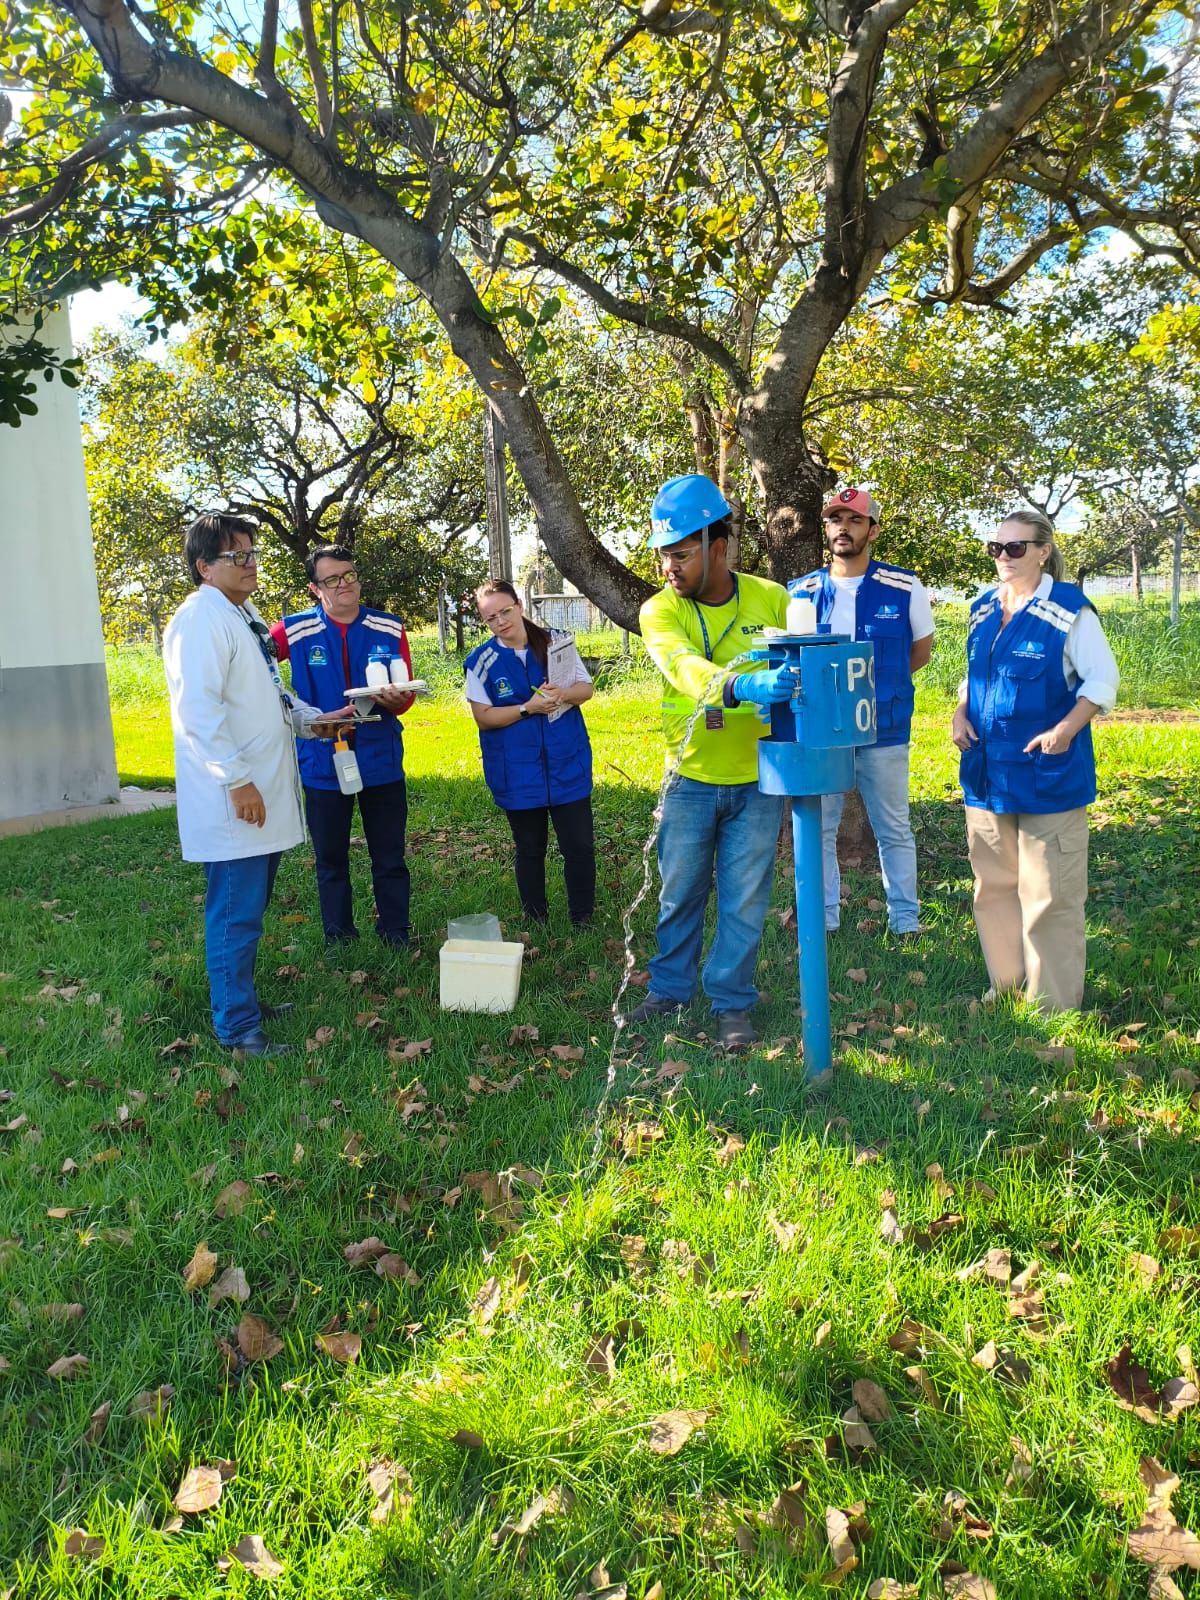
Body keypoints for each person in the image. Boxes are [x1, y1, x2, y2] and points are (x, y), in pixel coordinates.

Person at [163, 514, 349, 1056]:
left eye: (251, 554)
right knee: (235, 913)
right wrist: (237, 780)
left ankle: (240, 999)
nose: (250, 565)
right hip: (235, 797)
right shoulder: (199, 620)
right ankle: (238, 1028)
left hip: (261, 790)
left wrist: (312, 720)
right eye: (236, 556)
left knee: (251, 906)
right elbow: (199, 712)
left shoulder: (241, 613)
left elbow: (270, 690)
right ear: (204, 568)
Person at [625, 474, 797, 1051]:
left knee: (746, 899)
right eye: (662, 556)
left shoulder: (771, 599)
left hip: (758, 778)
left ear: (716, 546)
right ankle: (670, 989)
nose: (668, 567)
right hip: (689, 776)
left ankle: (731, 1002)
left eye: (679, 554)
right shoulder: (659, 610)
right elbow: (684, 668)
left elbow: (801, 666)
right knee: (681, 892)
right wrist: (747, 685)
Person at [951, 509, 1119, 1012]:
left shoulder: (1069, 611)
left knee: (1050, 895)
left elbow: (1101, 681)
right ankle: (1005, 987)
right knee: (993, 887)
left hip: (1049, 773)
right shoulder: (983, 608)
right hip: (986, 772)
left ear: (1043, 551)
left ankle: (1053, 1007)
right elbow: (974, 678)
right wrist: (960, 712)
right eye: (996, 548)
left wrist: (1065, 731)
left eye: (1016, 548)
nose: (1004, 557)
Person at [788, 486, 934, 938]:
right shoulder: (801, 592)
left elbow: (920, 652)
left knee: (894, 827)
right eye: (835, 519)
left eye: (853, 520)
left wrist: (874, 694)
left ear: (872, 529)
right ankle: (825, 917)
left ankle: (905, 920)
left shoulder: (904, 587)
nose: (843, 528)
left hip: (884, 729)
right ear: (826, 528)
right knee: (821, 829)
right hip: (823, 731)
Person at [270, 546, 416, 950]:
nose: (343, 585)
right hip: (322, 759)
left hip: (379, 756)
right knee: (330, 857)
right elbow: (254, 667)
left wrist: (396, 701)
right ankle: (339, 936)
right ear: (315, 589)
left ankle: (396, 931)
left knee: (389, 853)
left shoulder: (388, 627)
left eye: (349, 575)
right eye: (332, 579)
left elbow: (406, 694)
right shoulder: (294, 630)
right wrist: (298, 713)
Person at [464, 580, 596, 925]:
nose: (501, 621)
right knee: (529, 849)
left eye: (505, 611)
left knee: (579, 848)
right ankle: (536, 918)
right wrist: (528, 708)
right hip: (517, 771)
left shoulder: (556, 642)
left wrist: (562, 695)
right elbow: (484, 717)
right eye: (490, 618)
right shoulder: (480, 661)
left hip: (567, 762)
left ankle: (583, 918)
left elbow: (586, 689)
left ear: (519, 605)